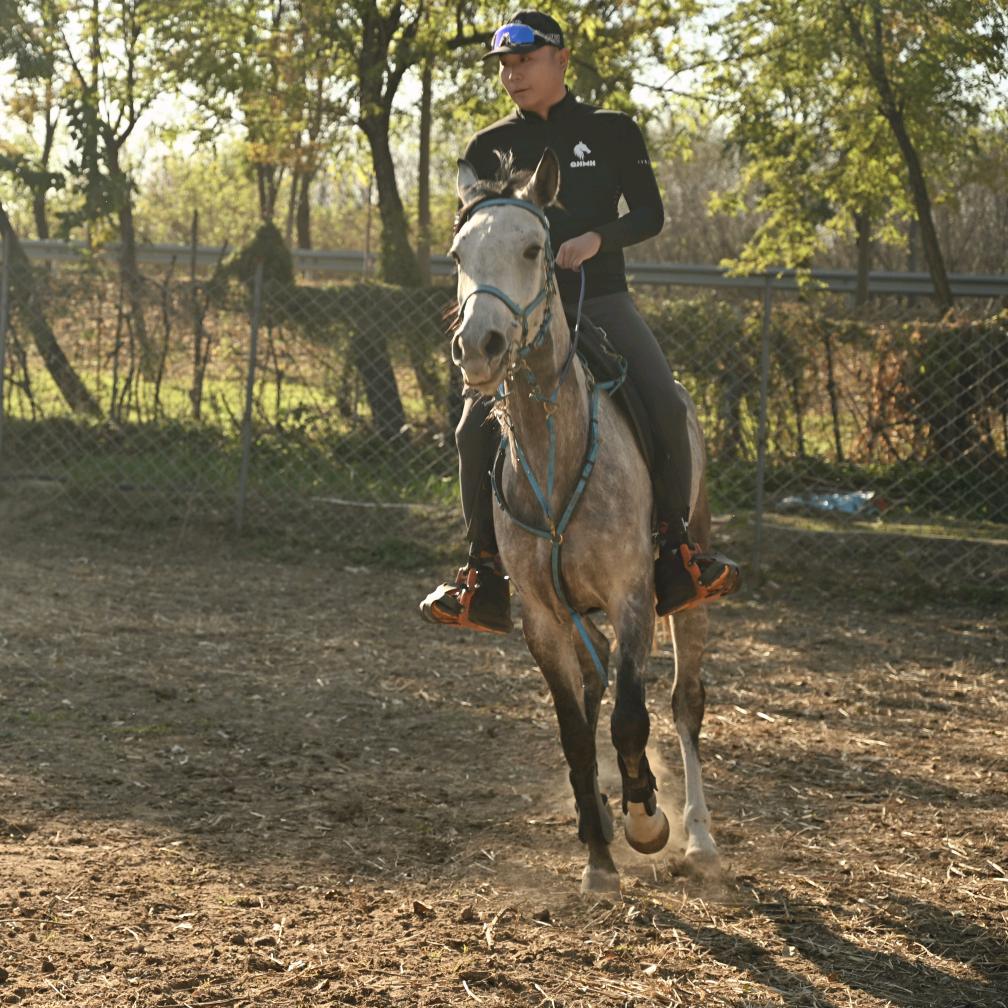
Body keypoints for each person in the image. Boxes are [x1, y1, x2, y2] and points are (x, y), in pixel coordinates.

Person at [420, 10, 739, 634]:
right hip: (520, 318)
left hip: (599, 299)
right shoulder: (485, 147)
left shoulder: (612, 130)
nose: (513, 74)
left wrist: (598, 237)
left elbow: (649, 215)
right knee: (468, 428)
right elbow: (474, 235)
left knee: (666, 404)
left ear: (561, 59)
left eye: (525, 61)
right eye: (505, 65)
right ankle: (483, 573)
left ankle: (677, 552)